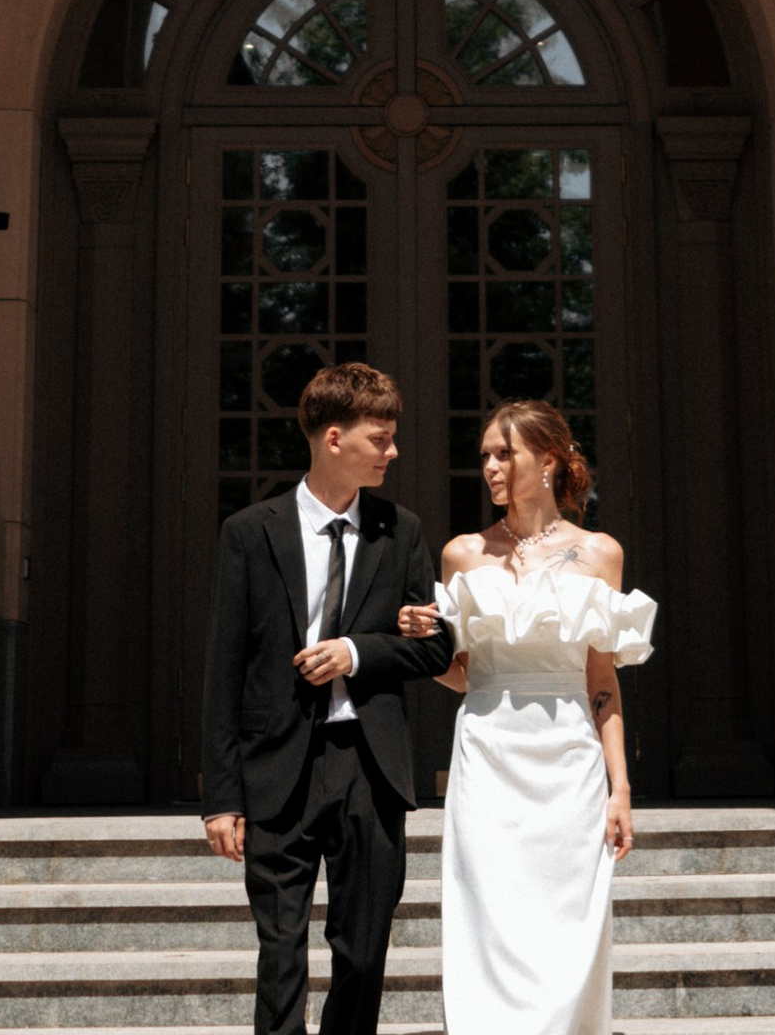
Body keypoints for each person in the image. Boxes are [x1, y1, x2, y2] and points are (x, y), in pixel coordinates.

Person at [202, 361, 454, 1035]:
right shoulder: (250, 533)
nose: (394, 452)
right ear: (334, 439)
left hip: (370, 768)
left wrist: (357, 651)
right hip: (274, 767)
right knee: (280, 954)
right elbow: (225, 668)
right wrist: (222, 796)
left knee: (363, 950)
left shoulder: (401, 532)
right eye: (382, 438)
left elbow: (435, 648)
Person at [398, 399, 658, 1035]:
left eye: (503, 453)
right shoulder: (462, 554)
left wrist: (619, 786)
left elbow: (602, 681)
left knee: (567, 918)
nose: (489, 466)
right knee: (490, 911)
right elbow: (462, 673)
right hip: (487, 750)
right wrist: (418, 649)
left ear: (548, 461)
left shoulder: (600, 553)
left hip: (568, 756)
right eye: (484, 454)